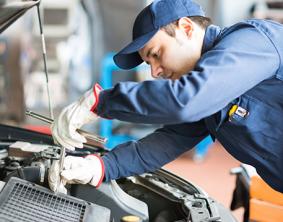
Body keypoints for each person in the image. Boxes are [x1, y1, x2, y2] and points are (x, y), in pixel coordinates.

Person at [48, 0, 283, 193]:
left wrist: (102, 102)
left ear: (187, 28)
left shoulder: (253, 42)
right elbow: (167, 141)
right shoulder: (208, 94)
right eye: (149, 63)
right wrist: (98, 167)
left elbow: (186, 100)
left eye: (157, 54)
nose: (154, 72)